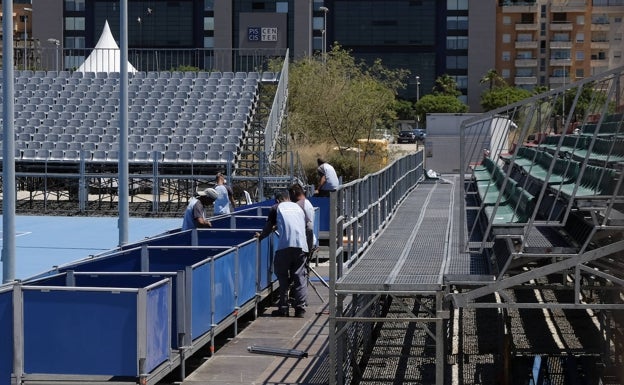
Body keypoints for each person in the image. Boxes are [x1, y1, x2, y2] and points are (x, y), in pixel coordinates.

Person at [255, 190, 308, 318]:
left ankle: (283, 308)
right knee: (300, 278)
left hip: (285, 246)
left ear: (278, 200)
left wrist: (261, 236)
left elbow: (268, 227)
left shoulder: (276, 207)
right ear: (288, 198)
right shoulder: (299, 208)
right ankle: (300, 309)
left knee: (283, 277)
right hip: (301, 246)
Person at [288, 183, 317, 253]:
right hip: (309, 243)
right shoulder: (308, 203)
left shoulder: (299, 205)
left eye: (290, 195)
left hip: (302, 245)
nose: (290, 198)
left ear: (294, 193)